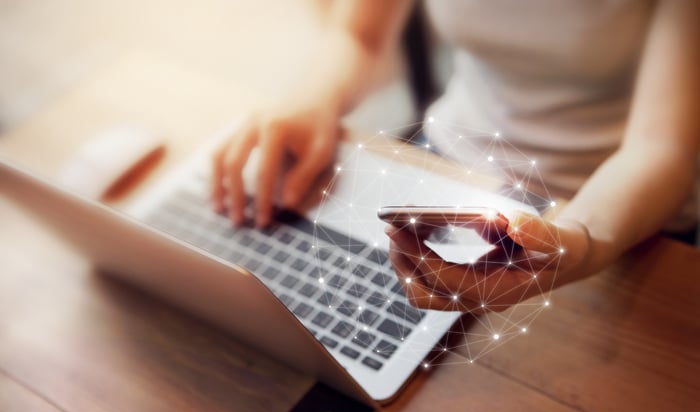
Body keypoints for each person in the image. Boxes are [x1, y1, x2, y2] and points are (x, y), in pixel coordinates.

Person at [210, 0, 700, 312]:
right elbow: (359, 33)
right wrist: (313, 98)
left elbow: (662, 147)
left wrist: (581, 244)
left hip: (623, 211)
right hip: (451, 160)